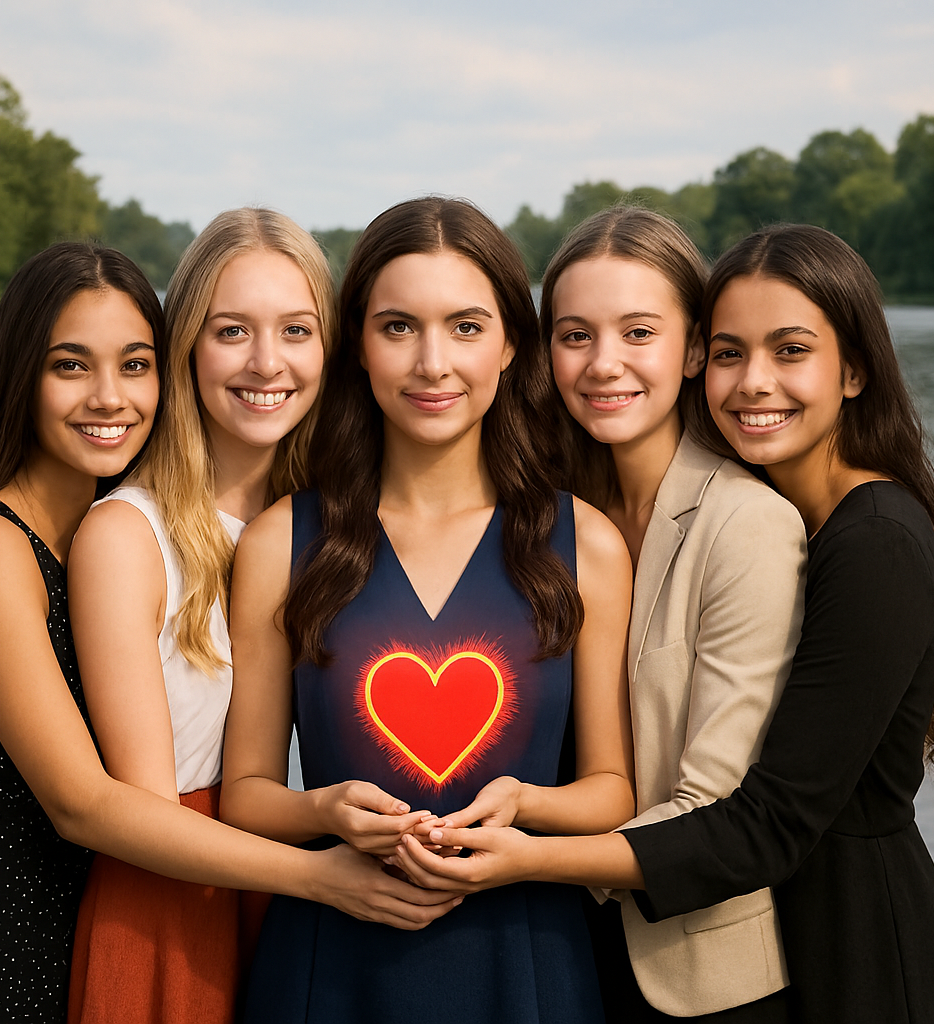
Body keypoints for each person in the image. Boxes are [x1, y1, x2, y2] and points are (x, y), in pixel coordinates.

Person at [391, 223, 934, 1024]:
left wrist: (526, 859)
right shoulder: (569, 514)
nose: (755, 382)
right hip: (584, 950)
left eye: (791, 351)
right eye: (574, 335)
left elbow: (761, 819)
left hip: (831, 947)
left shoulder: (822, 530)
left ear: (854, 368)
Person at [0, 242, 459, 1024]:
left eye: (134, 365)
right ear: (17, 378)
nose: (110, 397)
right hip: (5, 935)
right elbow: (84, 805)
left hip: (142, 887)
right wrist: (318, 874)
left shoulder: (139, 524)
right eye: (70, 365)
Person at [220, 196, 635, 1024]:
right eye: (399, 326)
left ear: (513, 344)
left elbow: (613, 791)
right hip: (331, 963)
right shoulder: (281, 542)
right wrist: (321, 811)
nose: (432, 362)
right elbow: (247, 794)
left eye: (467, 327)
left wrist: (526, 811)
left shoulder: (586, 543)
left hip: (529, 962)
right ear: (359, 348)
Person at [66, 209, 332, 1024]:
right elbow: (141, 812)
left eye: (296, 329)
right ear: (186, 346)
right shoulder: (126, 535)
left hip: (285, 884)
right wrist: (327, 873)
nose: (267, 362)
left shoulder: (324, 526)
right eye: (231, 331)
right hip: (170, 905)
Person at [541, 207, 806, 1021]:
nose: (603, 364)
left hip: (703, 973)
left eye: (638, 333)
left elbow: (716, 804)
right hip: (556, 951)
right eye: (575, 335)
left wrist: (510, 858)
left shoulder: (746, 523)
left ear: (693, 349)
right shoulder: (552, 515)